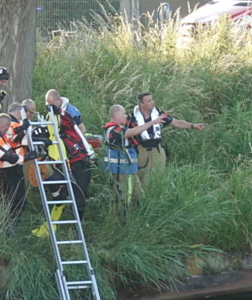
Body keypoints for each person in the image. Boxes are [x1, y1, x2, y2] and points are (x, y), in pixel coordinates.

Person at [132, 92, 206, 188]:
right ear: (141, 104)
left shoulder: (158, 114)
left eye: (152, 100)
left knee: (157, 177)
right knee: (139, 178)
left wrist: (193, 125)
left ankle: (154, 199)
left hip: (157, 150)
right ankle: (138, 200)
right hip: (141, 150)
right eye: (149, 101)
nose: (152, 102)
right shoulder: (132, 117)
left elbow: (176, 123)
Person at [104, 104, 166, 209]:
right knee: (120, 197)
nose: (126, 116)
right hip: (119, 170)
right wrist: (152, 122)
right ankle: (118, 220)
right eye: (123, 114)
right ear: (117, 115)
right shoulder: (113, 130)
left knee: (138, 194)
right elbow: (132, 132)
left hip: (129, 170)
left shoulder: (119, 128)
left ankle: (135, 214)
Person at [45, 89, 95, 221]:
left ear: (58, 101)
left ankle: (78, 227)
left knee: (79, 193)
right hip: (65, 158)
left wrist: (70, 140)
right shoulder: (53, 115)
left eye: (52, 104)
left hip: (78, 156)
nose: (50, 107)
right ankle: (61, 197)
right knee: (52, 181)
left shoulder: (69, 113)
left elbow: (81, 129)